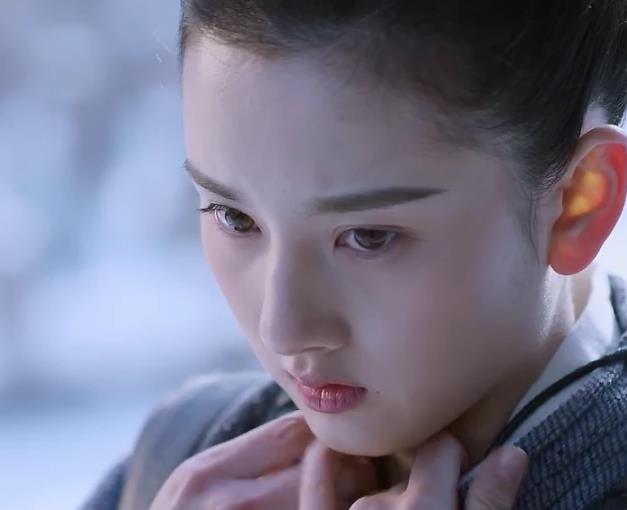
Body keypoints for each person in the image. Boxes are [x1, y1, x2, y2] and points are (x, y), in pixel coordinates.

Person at [81, 1, 627, 508]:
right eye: (234, 218)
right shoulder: (176, 452)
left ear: (579, 202)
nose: (284, 330)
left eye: (368, 237)